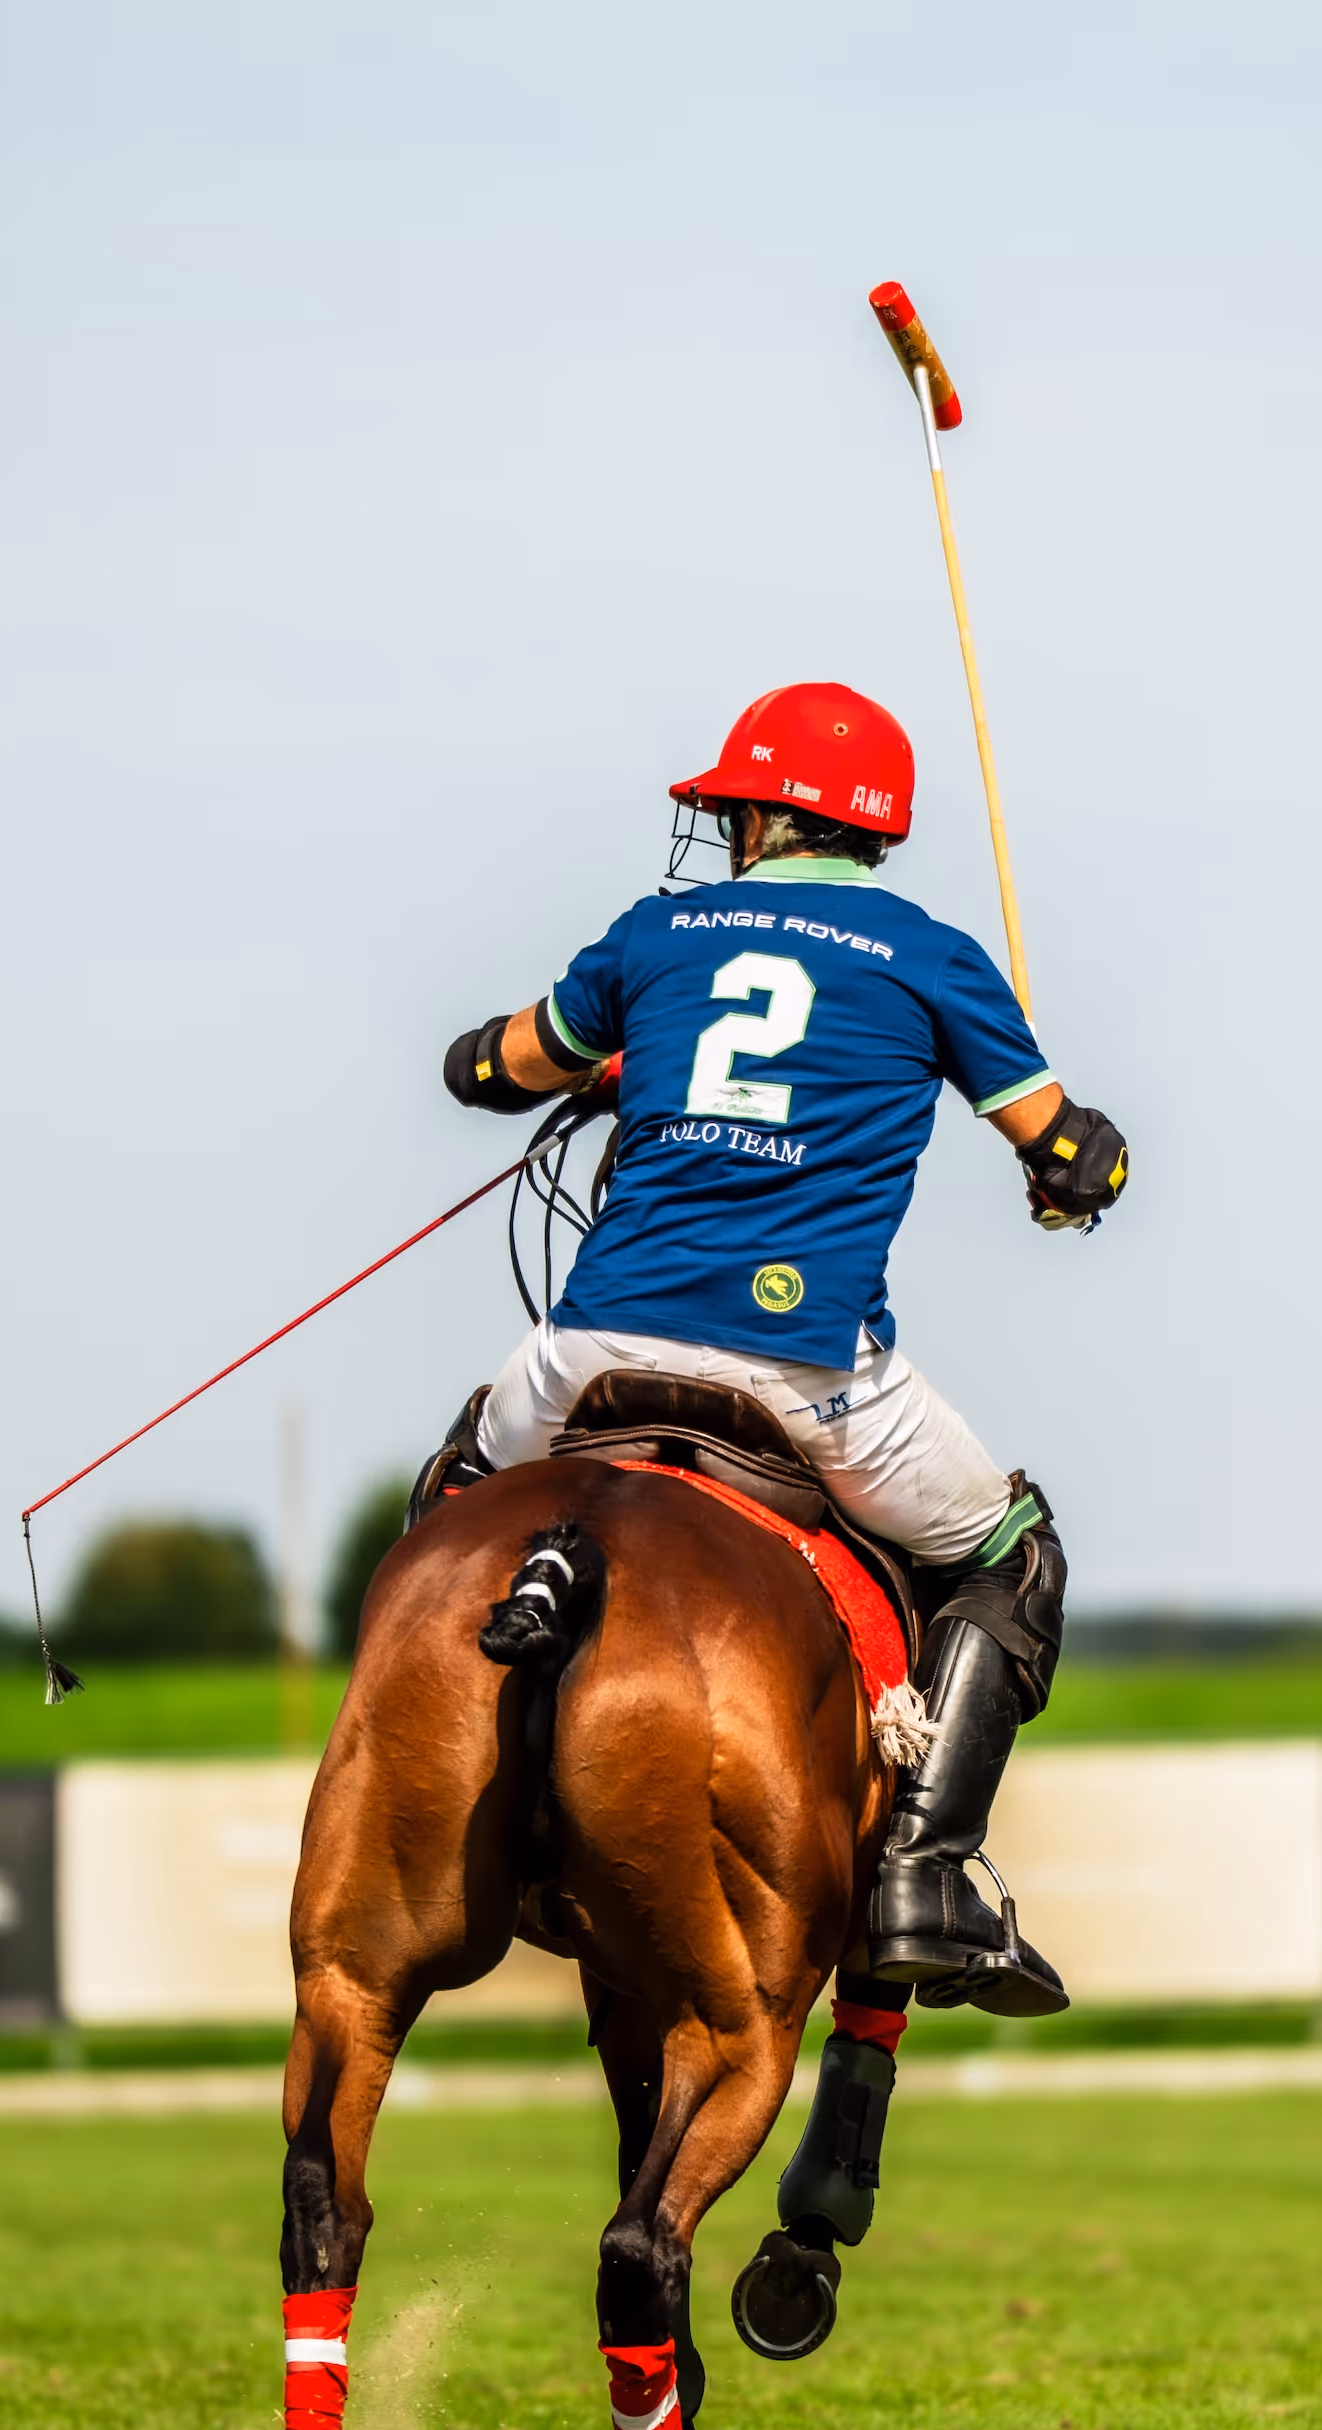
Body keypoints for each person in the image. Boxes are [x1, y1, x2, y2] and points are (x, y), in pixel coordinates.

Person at [431, 680, 1128, 2014]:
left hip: (589, 1351)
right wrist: (1075, 1176)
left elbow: (493, 1069)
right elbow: (1072, 1151)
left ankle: (436, 1760)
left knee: (461, 1492)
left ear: (758, 817)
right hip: (809, 1372)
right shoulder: (934, 958)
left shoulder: (655, 935)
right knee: (1014, 1552)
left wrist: (596, 1063)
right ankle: (923, 1872)